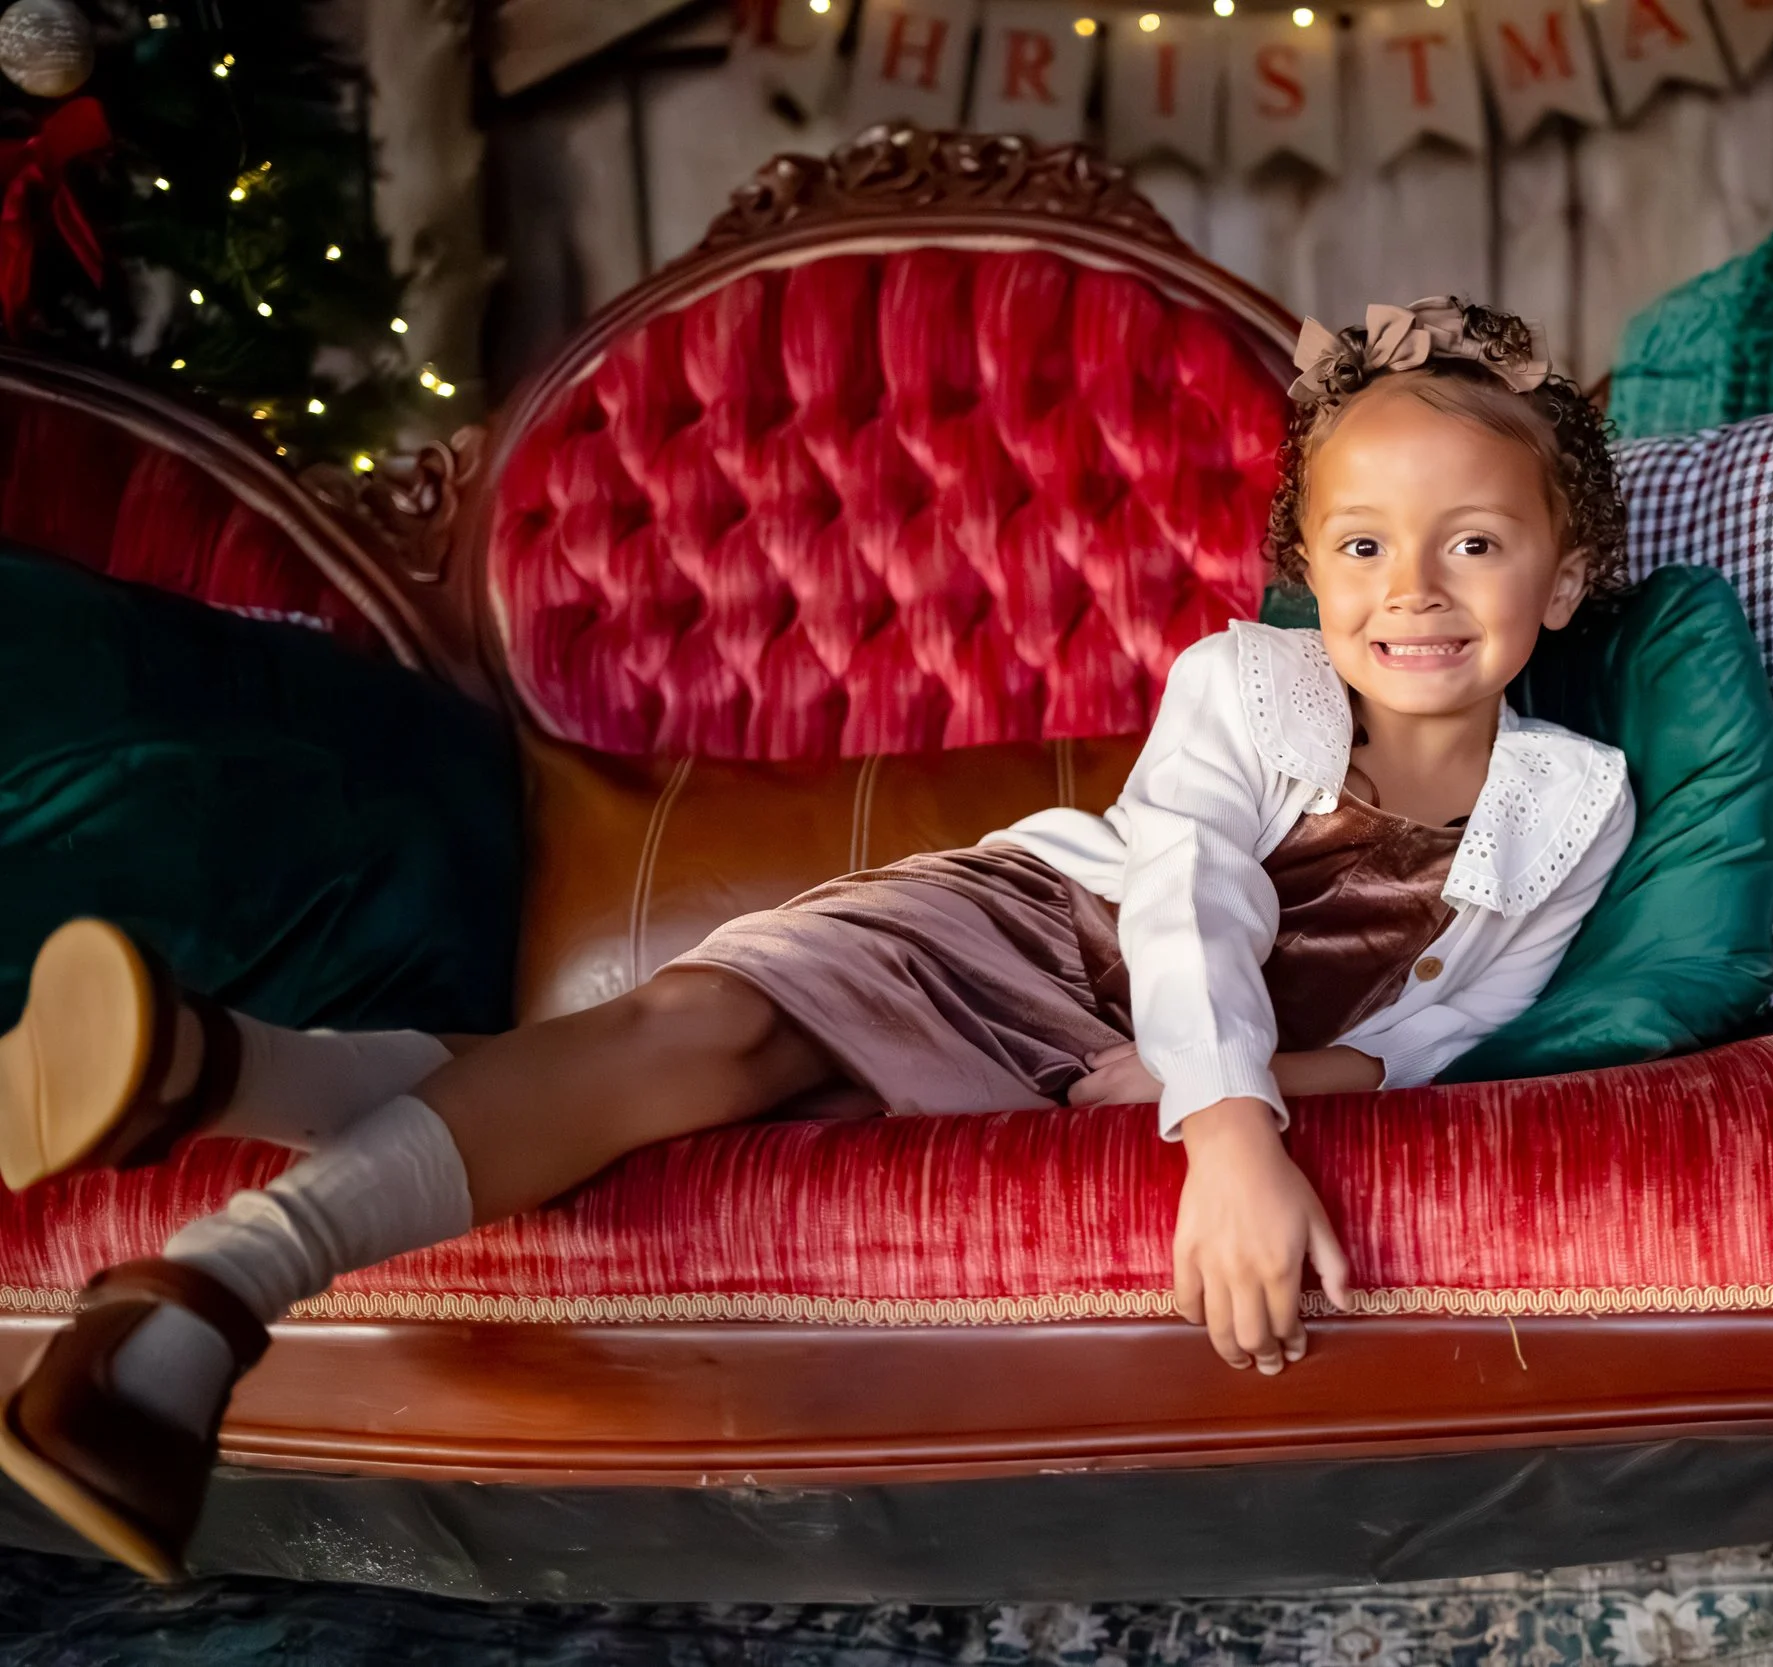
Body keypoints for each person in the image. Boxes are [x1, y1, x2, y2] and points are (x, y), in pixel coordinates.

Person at [0, 298, 1635, 1581]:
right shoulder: (1244, 684)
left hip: (1117, 1050)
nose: (1411, 589)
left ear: (1564, 578)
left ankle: (226, 1068)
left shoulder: (1578, 802)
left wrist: (1254, 1076)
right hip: (1019, 932)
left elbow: (1455, 1024)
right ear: (1306, 572)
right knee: (689, 1040)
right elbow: (1185, 893)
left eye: (1474, 542)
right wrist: (1225, 1122)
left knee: (620, 1117)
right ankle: (201, 1299)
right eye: (1362, 545)